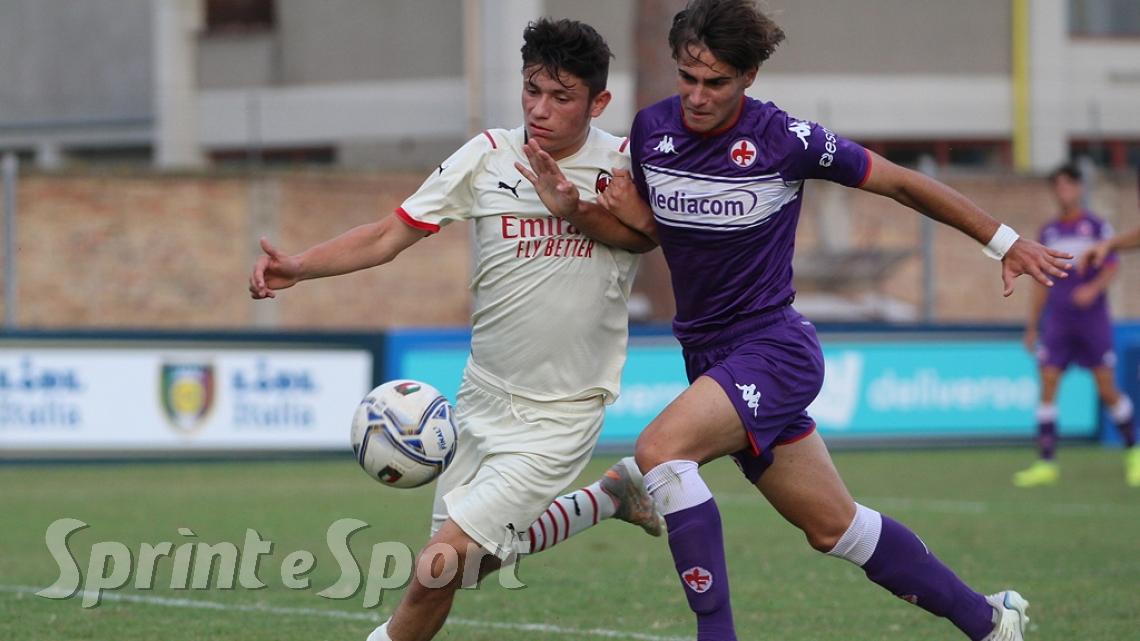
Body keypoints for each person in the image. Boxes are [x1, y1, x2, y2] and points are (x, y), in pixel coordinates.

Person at [590, 2, 1072, 640]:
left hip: (773, 350)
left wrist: (1003, 241)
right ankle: (989, 621)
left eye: (716, 82)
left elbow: (900, 183)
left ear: (749, 76)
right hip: (707, 357)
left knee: (659, 450)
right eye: (687, 77)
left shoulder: (787, 140)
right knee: (835, 528)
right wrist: (589, 211)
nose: (698, 96)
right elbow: (657, 236)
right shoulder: (651, 131)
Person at [249, 19, 662, 641]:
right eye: (532, 90)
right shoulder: (487, 155)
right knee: (462, 569)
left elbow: (651, 240)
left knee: (437, 567)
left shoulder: (625, 164)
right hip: (481, 399)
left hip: (563, 409)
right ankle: (607, 497)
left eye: (561, 97)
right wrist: (300, 266)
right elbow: (388, 234)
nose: (540, 109)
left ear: (597, 102)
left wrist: (585, 211)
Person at [1017, 164, 1138, 488]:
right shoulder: (1048, 232)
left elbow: (1112, 265)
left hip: (1091, 319)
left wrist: (1093, 289)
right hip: (1058, 319)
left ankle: (1134, 452)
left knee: (1106, 387)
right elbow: (1040, 281)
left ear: (1079, 189)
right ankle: (1046, 463)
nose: (1063, 192)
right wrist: (1032, 325)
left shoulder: (1096, 227)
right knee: (1048, 382)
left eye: (1068, 185)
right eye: (1057, 187)